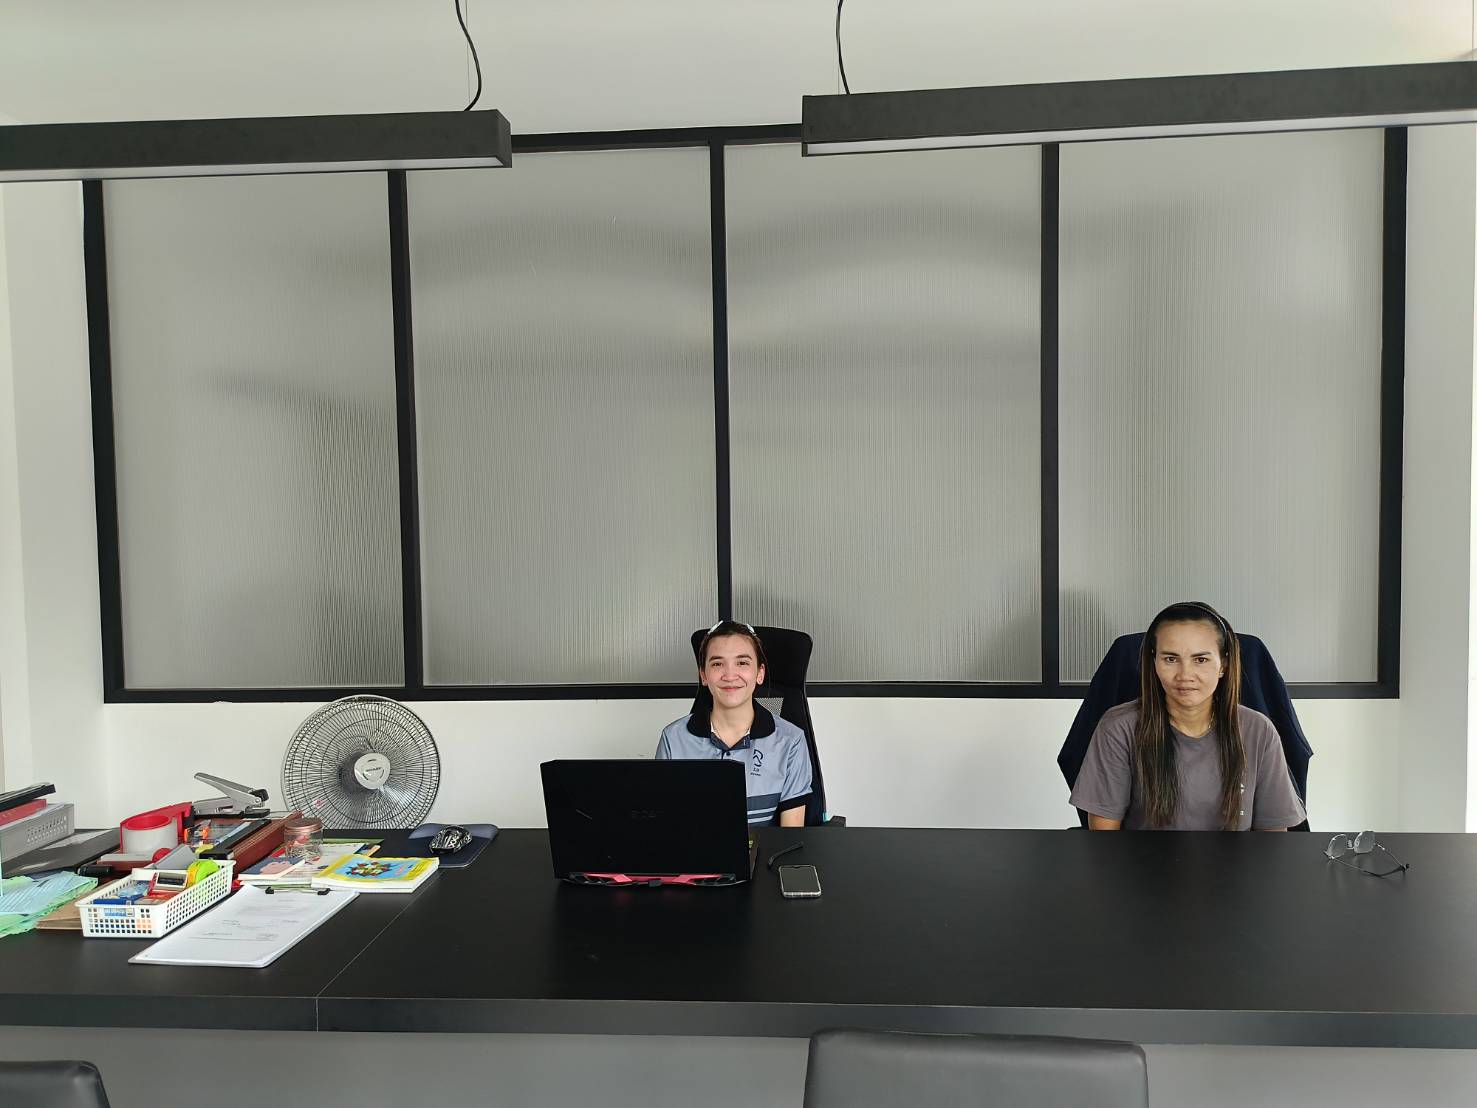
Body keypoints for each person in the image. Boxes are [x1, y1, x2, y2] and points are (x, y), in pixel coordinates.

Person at [1071, 601, 1306, 831]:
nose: (1185, 675)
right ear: (1154, 663)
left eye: (1200, 660)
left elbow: (1273, 839)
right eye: (1170, 659)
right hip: (1143, 858)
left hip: (1237, 859)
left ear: (1223, 665)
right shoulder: (1119, 728)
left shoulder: (1258, 730)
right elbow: (1105, 839)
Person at [656, 620, 814, 827]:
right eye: (717, 664)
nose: (730, 676)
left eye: (742, 663)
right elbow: (665, 824)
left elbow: (790, 836)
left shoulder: (791, 740)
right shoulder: (673, 738)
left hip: (766, 849)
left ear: (759, 673)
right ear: (703, 675)